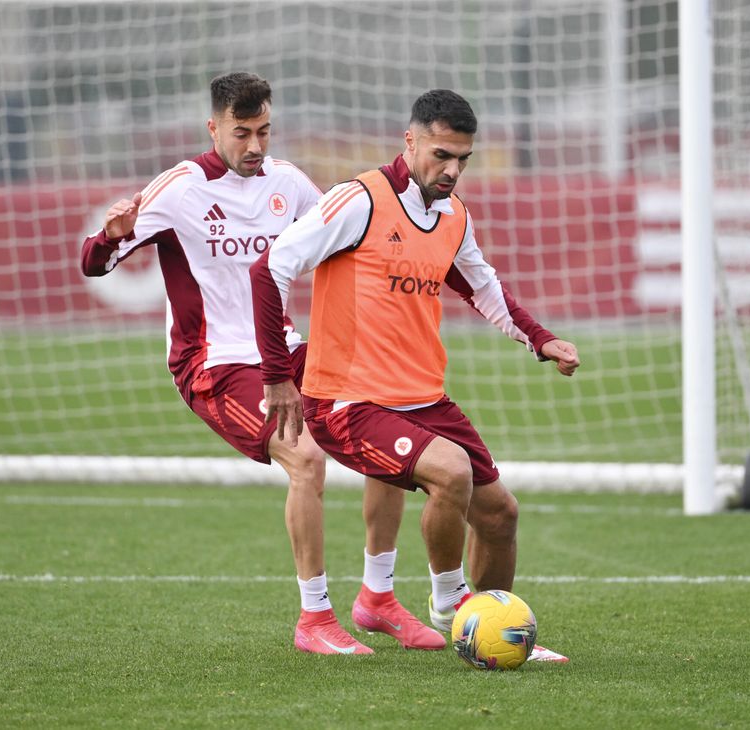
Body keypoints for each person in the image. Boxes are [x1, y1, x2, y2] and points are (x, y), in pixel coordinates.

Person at [80, 72, 443, 655]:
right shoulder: (179, 189)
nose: (255, 146)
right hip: (214, 363)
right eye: (242, 133)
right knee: (306, 459)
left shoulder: (290, 184)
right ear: (214, 127)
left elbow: (343, 240)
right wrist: (108, 235)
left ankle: (377, 600)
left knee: (383, 420)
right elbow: (94, 264)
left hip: (286, 348)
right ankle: (315, 620)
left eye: (264, 131)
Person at [250, 89, 581, 663]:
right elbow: (270, 268)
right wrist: (279, 375)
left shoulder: (453, 217)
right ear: (411, 140)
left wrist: (541, 338)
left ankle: (496, 625)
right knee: (451, 472)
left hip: (421, 397)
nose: (452, 170)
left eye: (463, 160)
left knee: (501, 515)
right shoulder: (359, 200)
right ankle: (456, 614)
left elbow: (483, 287)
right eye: (441, 154)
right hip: (346, 402)